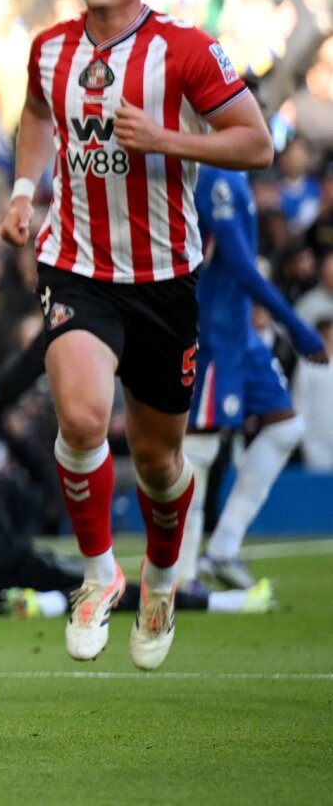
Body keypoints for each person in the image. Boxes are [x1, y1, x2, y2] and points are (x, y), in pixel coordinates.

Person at [1, 0, 273, 669]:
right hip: (75, 265)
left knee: (157, 462)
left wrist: (166, 139)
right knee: (82, 419)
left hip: (163, 277)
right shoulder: (49, 49)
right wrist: (23, 191)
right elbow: (35, 116)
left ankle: (159, 576)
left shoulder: (183, 49)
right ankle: (98, 576)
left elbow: (255, 142)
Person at [0, 337, 275, 619]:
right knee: (104, 584)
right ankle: (226, 603)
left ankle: (40, 602)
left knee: (61, 580)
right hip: (1, 562)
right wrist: (63, 322)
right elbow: (20, 375)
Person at [180, 162, 328, 590]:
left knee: (285, 427)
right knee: (200, 447)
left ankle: (223, 548)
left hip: (240, 332)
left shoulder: (235, 174)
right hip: (213, 333)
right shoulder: (215, 175)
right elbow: (241, 266)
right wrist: (296, 327)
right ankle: (181, 574)